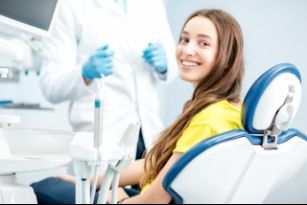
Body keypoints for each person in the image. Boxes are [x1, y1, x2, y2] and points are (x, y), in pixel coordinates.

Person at [32, 9, 245, 203]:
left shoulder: (208, 120)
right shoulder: (226, 109)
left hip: (145, 173)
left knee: (42, 188)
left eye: (203, 43)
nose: (187, 50)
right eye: (184, 40)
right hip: (109, 135)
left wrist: (120, 199)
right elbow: (156, 165)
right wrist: (88, 181)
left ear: (227, 57)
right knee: (66, 185)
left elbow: (154, 200)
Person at [39, 0, 177, 159]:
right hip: (102, 138)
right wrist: (85, 73)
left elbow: (174, 65)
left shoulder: (153, 4)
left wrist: (165, 64)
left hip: (148, 135)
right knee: (98, 183)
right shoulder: (70, 5)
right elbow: (51, 84)